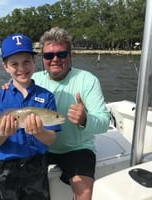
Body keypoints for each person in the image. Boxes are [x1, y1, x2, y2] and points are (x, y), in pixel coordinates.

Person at [32, 27, 110, 200]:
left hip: (77, 148)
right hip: (41, 146)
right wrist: (8, 88)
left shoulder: (87, 80)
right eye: (48, 55)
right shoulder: (33, 80)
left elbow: (104, 122)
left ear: (70, 55)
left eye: (61, 54)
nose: (55, 60)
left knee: (84, 193)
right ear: (42, 58)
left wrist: (85, 119)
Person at [0, 33, 61, 200]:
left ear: (34, 62)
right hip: (6, 167)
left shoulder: (47, 97)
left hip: (37, 164)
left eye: (26, 61)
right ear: (5, 67)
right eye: (14, 64)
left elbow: (50, 139)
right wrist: (2, 132)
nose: (21, 68)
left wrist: (39, 132)